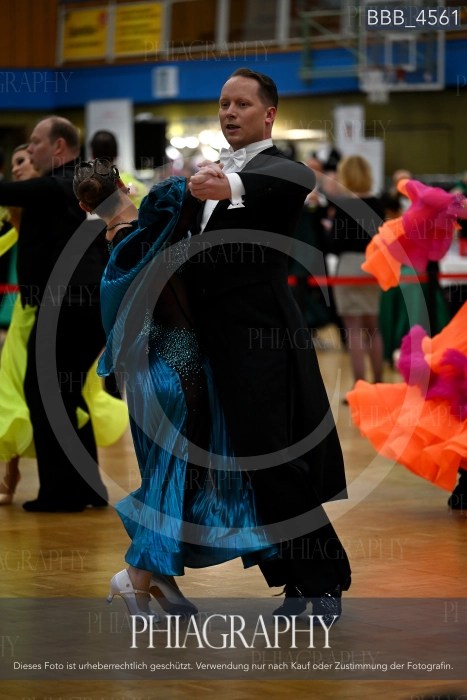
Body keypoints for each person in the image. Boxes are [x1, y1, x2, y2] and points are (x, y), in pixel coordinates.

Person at [73, 158, 278, 617]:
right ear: (124, 183)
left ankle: (159, 575)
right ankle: (137, 573)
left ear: (85, 207)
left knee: (173, 475)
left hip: (151, 375)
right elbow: (179, 194)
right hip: (177, 372)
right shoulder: (151, 230)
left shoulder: (123, 243)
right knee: (176, 473)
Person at [187, 67, 351, 619]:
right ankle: (299, 578)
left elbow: (297, 177)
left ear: (269, 115)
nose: (229, 112)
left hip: (262, 341)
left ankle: (322, 579)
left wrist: (231, 187)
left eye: (241, 104)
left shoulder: (276, 171)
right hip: (215, 343)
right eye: (223, 104)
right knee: (251, 466)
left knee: (275, 462)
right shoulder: (209, 176)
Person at [0, 146, 128, 506]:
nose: (20, 168)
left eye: (26, 159)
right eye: (15, 163)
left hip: (59, 308)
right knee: (52, 395)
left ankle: (61, 491)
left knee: (45, 395)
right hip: (38, 308)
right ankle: (83, 488)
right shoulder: (49, 195)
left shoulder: (56, 187)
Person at [328, 154, 385, 391]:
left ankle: (359, 384)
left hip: (349, 266)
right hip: (373, 264)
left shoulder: (343, 205)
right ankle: (379, 381)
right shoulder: (378, 203)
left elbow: (334, 244)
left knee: (353, 329)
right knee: (373, 328)